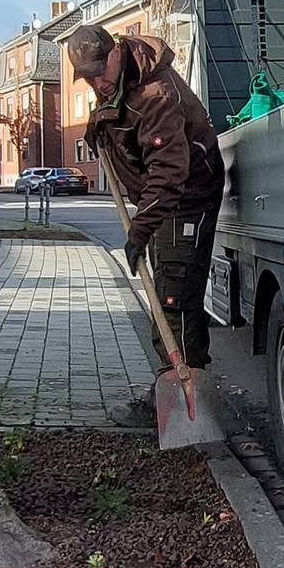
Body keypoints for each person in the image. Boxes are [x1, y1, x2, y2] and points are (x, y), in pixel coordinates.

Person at [70, 24, 225, 423]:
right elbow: (118, 115)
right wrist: (98, 128)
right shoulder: (119, 81)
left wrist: (140, 231)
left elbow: (169, 172)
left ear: (116, 51)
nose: (95, 81)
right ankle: (181, 398)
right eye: (86, 76)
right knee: (169, 295)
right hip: (162, 202)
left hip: (186, 198)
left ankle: (184, 405)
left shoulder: (156, 95)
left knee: (173, 301)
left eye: (98, 71)